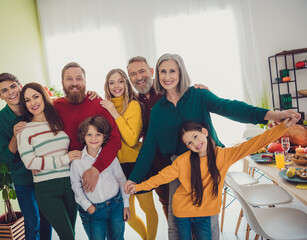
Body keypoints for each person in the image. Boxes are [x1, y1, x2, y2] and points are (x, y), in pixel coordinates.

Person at [124, 53, 301, 240]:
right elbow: (149, 146)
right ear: (157, 75)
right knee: (177, 226)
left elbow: (231, 108)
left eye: (172, 71)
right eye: (163, 72)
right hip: (178, 168)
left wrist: (273, 115)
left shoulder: (198, 95)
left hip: (207, 163)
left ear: (181, 72)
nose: (167, 77)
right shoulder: (159, 109)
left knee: (207, 223)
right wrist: (134, 179)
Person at [127, 118, 296, 240]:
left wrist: (282, 128)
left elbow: (253, 144)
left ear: (204, 132)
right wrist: (138, 187)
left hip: (206, 213)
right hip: (182, 212)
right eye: (189, 143)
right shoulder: (183, 161)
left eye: (195, 137)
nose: (194, 144)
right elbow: (161, 177)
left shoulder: (223, 156)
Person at [127, 56, 210, 219]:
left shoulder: (168, 92)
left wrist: (203, 92)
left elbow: (192, 105)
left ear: (152, 72)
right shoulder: (133, 103)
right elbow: (147, 141)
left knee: (195, 206)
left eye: (142, 71)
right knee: (169, 205)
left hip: (186, 156)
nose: (138, 77)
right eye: (133, 74)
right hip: (159, 163)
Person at [0, 73, 52, 240]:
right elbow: (3, 158)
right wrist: (15, 136)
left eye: (13, 86)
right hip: (23, 180)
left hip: (45, 174)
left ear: (20, 85)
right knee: (33, 223)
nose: (11, 92)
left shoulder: (35, 108)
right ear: (0, 96)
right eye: (4, 90)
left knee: (48, 220)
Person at [101, 69, 158, 239]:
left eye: (120, 81)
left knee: (148, 208)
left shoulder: (133, 105)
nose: (116, 86)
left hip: (136, 164)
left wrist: (114, 113)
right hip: (117, 167)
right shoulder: (106, 106)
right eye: (112, 82)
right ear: (107, 86)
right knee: (129, 215)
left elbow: (132, 139)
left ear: (126, 83)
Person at [17, 82, 77, 240]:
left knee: (71, 233)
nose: (33, 102)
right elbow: (30, 163)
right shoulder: (25, 130)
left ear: (44, 97)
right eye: (27, 100)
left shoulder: (59, 122)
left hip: (70, 185)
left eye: (36, 96)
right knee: (68, 237)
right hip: (46, 189)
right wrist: (64, 159)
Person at [53, 62, 122, 194]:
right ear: (62, 83)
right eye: (69, 79)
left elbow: (114, 140)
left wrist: (96, 169)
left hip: (104, 170)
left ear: (85, 82)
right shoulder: (55, 107)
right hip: (72, 173)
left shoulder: (96, 103)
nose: (74, 83)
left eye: (79, 79)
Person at [70, 116, 130, 240]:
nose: (93, 139)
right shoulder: (78, 162)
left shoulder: (109, 157)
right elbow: (76, 186)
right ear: (83, 136)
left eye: (98, 134)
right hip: (95, 210)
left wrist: (126, 204)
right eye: (89, 135)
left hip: (116, 204)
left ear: (104, 137)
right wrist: (88, 206)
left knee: (118, 237)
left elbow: (121, 179)